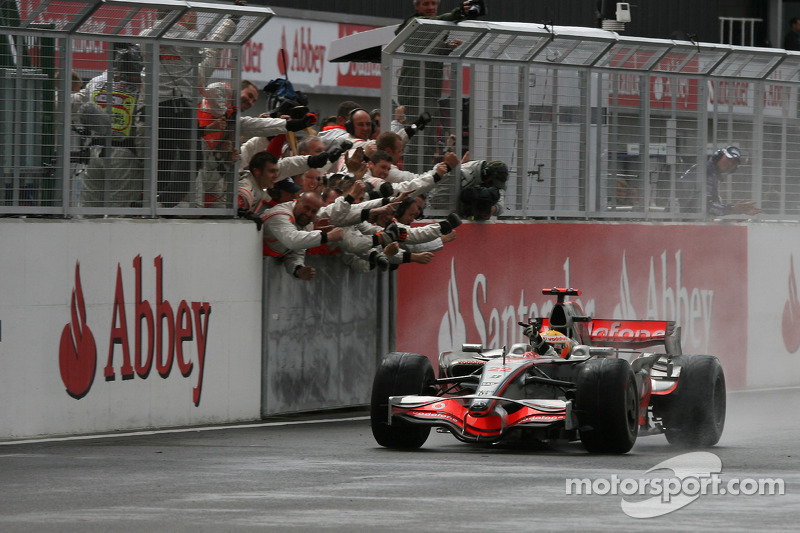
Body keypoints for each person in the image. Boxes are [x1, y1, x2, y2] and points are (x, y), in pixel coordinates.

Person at [141, 7, 240, 207]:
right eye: (191, 15)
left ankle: (155, 202)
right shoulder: (189, 38)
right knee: (191, 160)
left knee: (162, 159)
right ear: (180, 15)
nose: (194, 19)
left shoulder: (145, 36)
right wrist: (232, 20)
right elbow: (209, 49)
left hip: (153, 109)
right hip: (180, 107)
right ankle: (164, 203)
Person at [70, 45, 144, 208]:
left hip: (95, 152)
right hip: (125, 154)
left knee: (88, 209)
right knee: (119, 211)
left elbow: (76, 104)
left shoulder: (97, 81)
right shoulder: (143, 86)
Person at [261, 192, 345, 280]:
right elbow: (292, 240)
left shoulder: (306, 224)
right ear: (297, 203)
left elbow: (295, 253)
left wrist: (298, 269)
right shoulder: (280, 215)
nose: (308, 214)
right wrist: (326, 236)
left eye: (313, 211)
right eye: (306, 208)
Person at [676, 146, 761, 217]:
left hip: (684, 219)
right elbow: (706, 206)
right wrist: (733, 209)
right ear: (718, 157)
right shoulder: (706, 171)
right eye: (728, 159)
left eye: (734, 163)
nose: (730, 164)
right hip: (680, 220)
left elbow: (711, 205)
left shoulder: (711, 173)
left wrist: (736, 211)